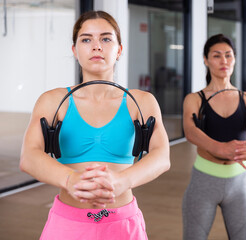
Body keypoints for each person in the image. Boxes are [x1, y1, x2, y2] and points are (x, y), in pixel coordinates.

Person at [19, 11, 170, 240]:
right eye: (86, 39)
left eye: (106, 38)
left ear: (119, 49)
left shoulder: (140, 102)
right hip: (67, 225)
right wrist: (70, 180)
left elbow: (162, 156)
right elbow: (29, 156)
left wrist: (122, 181)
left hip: (123, 225)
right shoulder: (52, 101)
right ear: (74, 50)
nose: (96, 46)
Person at [182, 34, 246, 240]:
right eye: (216, 56)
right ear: (206, 60)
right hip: (203, 182)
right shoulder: (195, 99)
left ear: (234, 59)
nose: (224, 60)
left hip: (239, 184)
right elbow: (190, 130)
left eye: (228, 55)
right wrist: (220, 148)